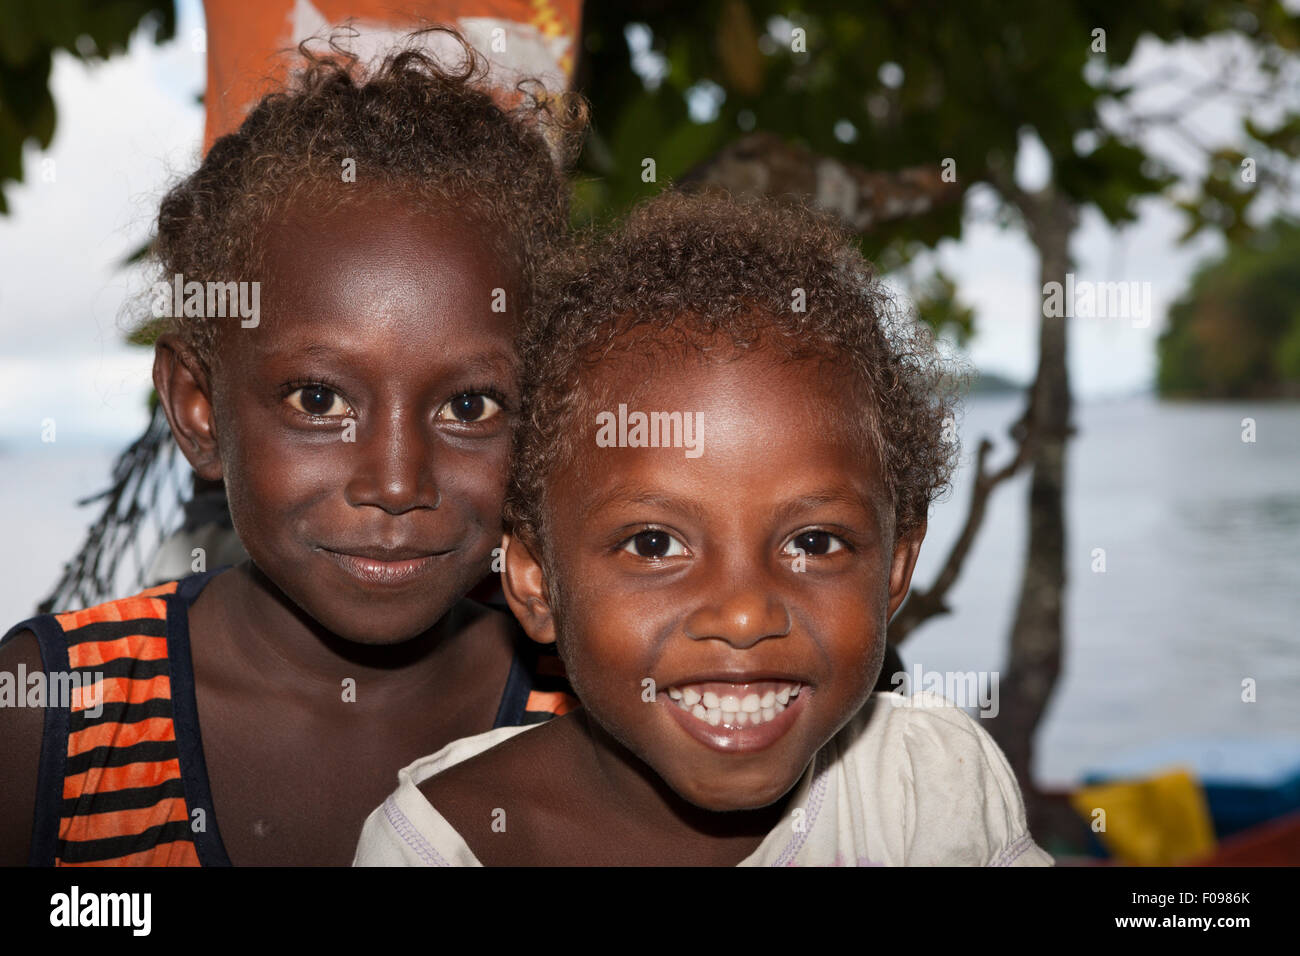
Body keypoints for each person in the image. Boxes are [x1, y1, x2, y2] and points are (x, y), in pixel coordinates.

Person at [0, 29, 582, 867]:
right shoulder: (56, 719)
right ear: (199, 409)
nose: (395, 482)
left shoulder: (603, 728)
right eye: (318, 399)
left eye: (470, 404)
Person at [354, 191, 1054, 866]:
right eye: (654, 543)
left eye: (813, 543)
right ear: (535, 580)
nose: (745, 613)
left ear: (897, 566)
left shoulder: (925, 787)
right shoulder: (444, 846)